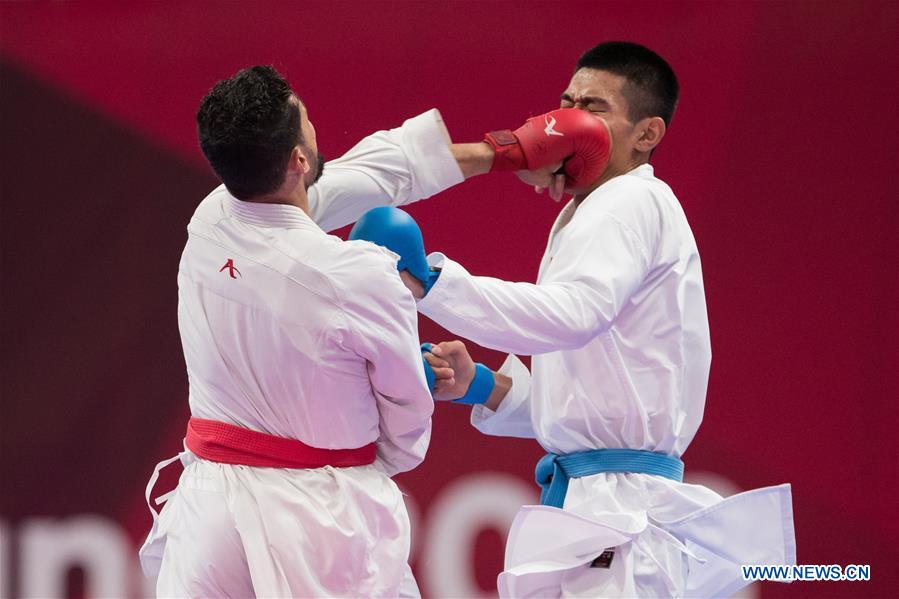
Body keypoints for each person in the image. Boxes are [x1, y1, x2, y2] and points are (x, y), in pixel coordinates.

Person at [137, 65, 605, 597]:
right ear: (298, 159)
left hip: (208, 514)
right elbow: (403, 430)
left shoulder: (210, 219)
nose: (315, 127)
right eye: (306, 119)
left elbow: (358, 177)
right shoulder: (358, 275)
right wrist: (408, 378)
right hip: (315, 522)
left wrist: (497, 154)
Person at [353, 42, 796, 597]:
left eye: (595, 107)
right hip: (601, 505)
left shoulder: (629, 200)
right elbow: (597, 405)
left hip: (621, 514)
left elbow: (570, 316)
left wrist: (433, 283)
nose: (571, 120)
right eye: (567, 103)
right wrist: (482, 386)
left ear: (647, 134)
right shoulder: (593, 208)